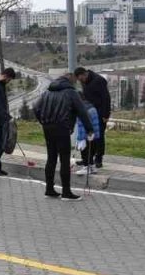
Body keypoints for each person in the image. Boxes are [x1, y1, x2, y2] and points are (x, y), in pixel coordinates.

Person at [32, 73, 92, 201]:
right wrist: (89, 129)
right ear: (71, 81)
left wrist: (42, 121)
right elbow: (82, 111)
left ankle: (49, 189)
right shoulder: (71, 92)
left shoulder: (47, 92)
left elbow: (35, 107)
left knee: (51, 158)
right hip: (62, 127)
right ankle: (66, 192)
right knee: (64, 159)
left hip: (47, 127)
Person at [73, 67, 111, 171]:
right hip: (88, 111)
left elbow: (106, 98)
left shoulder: (99, 80)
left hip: (99, 112)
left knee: (99, 136)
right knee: (88, 135)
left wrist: (106, 115)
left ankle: (98, 158)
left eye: (81, 79)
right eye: (79, 80)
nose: (81, 81)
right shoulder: (84, 81)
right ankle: (88, 159)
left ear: (85, 74)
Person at [74, 99, 102, 174]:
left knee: (85, 152)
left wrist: (81, 139)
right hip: (94, 135)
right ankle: (92, 167)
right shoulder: (92, 108)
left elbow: (82, 125)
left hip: (86, 135)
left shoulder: (82, 110)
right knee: (91, 151)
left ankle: (86, 167)